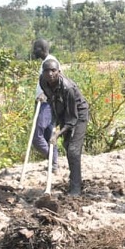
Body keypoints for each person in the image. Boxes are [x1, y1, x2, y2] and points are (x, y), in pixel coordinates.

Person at [39, 58, 89, 196]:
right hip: (63, 111)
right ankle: (75, 179)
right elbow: (52, 100)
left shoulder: (68, 88)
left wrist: (57, 134)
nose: (50, 74)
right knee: (68, 146)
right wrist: (54, 120)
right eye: (46, 71)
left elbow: (72, 119)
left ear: (59, 72)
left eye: (53, 70)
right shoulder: (43, 81)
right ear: (42, 73)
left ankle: (75, 189)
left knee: (73, 150)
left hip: (78, 114)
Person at [31, 39, 60, 171]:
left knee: (36, 136)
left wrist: (46, 95)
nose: (33, 51)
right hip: (43, 103)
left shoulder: (50, 62)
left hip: (47, 104)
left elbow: (58, 81)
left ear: (41, 49)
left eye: (35, 48)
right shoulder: (44, 62)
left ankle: (52, 160)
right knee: (49, 135)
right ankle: (53, 164)